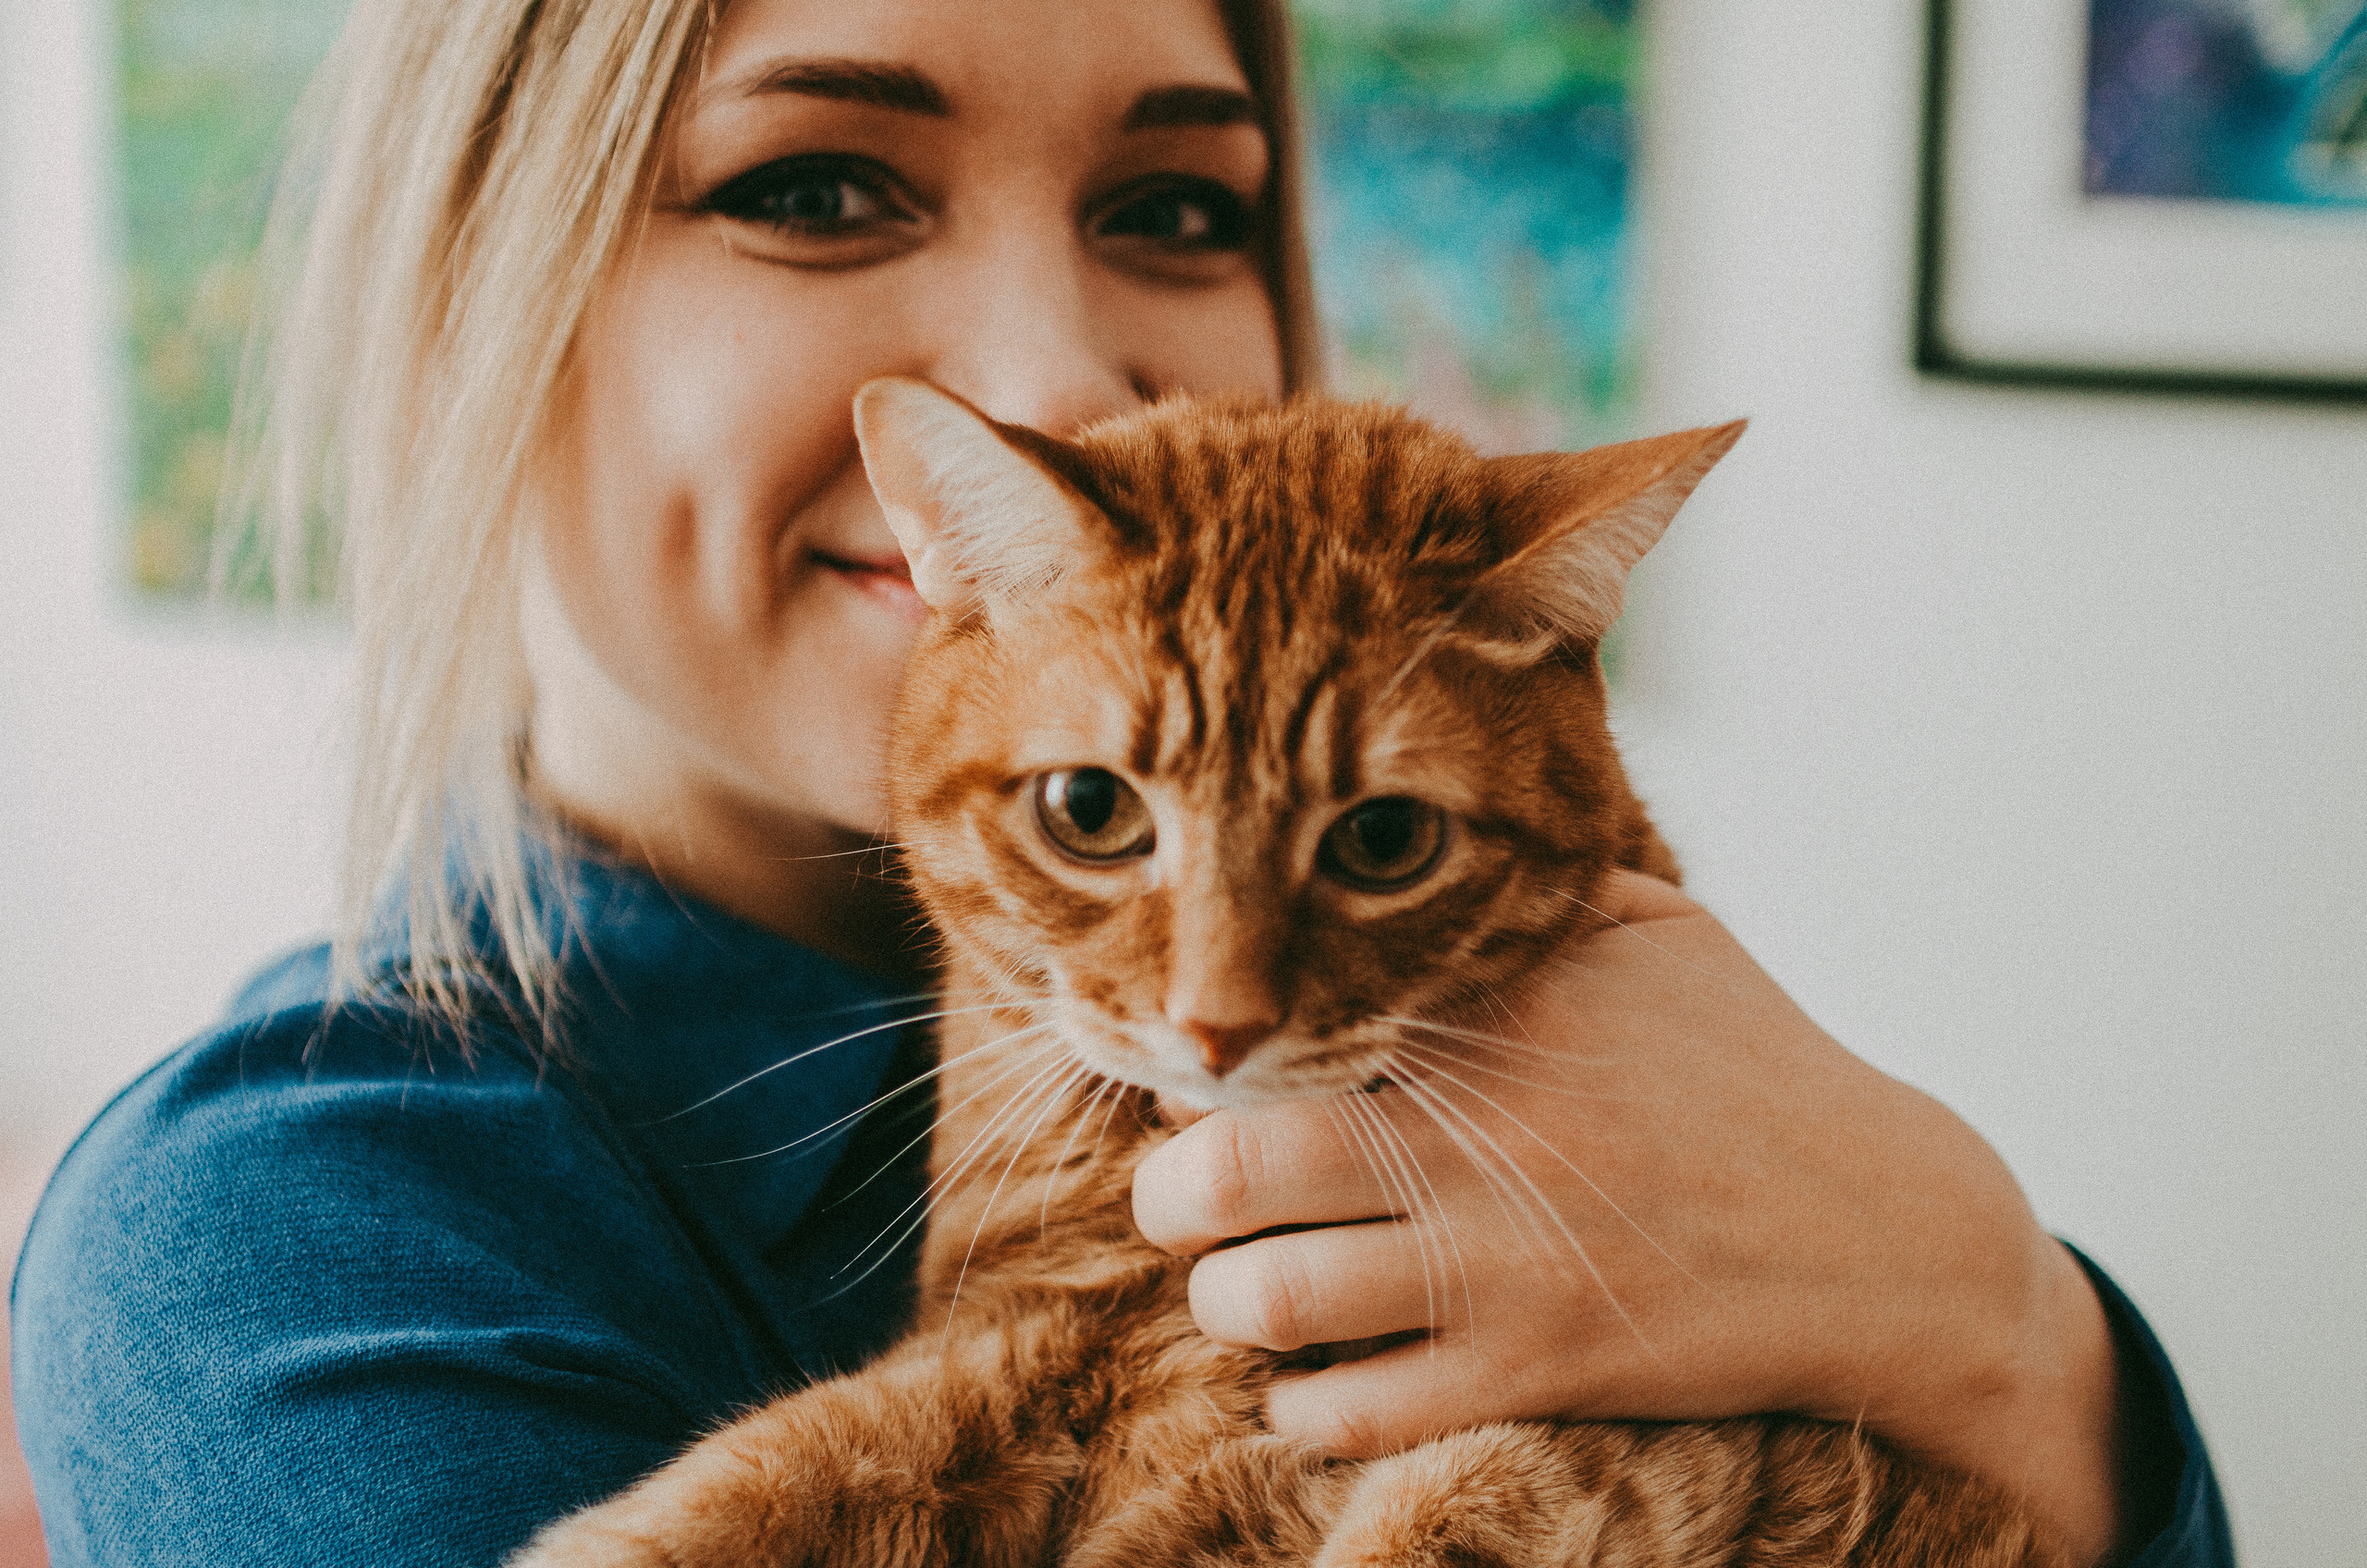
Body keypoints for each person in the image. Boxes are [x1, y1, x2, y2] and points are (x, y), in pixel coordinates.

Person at [10, 1, 2234, 1563]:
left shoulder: (1552, 1015)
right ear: (475, 286)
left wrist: (2014, 1338)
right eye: (815, 186)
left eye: (1173, 206)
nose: (1056, 373)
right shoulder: (293, 1227)